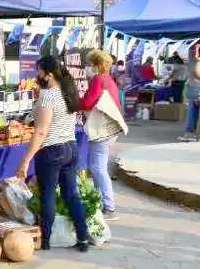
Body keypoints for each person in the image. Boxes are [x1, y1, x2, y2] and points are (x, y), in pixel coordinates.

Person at [16, 56, 89, 252]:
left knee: (48, 194)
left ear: (48, 75)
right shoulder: (68, 92)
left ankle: (46, 240)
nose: (36, 75)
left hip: (52, 150)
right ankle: (83, 237)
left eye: (39, 72)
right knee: (71, 194)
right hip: (71, 148)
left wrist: (26, 160)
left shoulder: (48, 96)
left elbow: (41, 132)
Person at [79, 50, 127, 221]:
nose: (86, 67)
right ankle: (99, 202)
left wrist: (75, 101)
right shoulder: (108, 80)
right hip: (109, 130)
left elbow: (87, 102)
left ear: (96, 65)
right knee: (97, 166)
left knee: (97, 167)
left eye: (89, 64)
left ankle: (109, 207)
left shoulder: (98, 80)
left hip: (102, 130)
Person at [179, 42, 200, 141]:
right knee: (193, 109)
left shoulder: (197, 61)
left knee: (194, 109)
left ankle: (192, 130)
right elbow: (196, 75)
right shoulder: (197, 62)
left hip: (195, 88)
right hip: (196, 89)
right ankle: (190, 131)